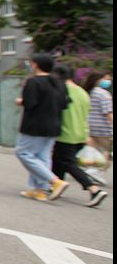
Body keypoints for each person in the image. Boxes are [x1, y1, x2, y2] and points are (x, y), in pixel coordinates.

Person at [15, 53, 71, 202]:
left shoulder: (34, 82)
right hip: (54, 125)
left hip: (34, 125)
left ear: (35, 65)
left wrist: (21, 101)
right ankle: (40, 190)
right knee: (42, 156)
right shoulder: (59, 83)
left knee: (24, 153)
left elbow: (30, 103)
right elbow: (65, 104)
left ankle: (54, 181)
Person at [51, 65, 108, 207]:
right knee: (59, 160)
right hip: (81, 133)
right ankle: (55, 186)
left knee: (67, 162)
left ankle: (93, 189)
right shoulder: (82, 92)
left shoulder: (62, 91)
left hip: (66, 132)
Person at [82, 70, 113, 169]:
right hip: (103, 128)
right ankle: (95, 170)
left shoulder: (87, 92)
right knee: (104, 151)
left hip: (90, 126)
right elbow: (108, 112)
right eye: (106, 79)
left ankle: (90, 169)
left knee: (93, 149)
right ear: (98, 80)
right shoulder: (104, 94)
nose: (109, 81)